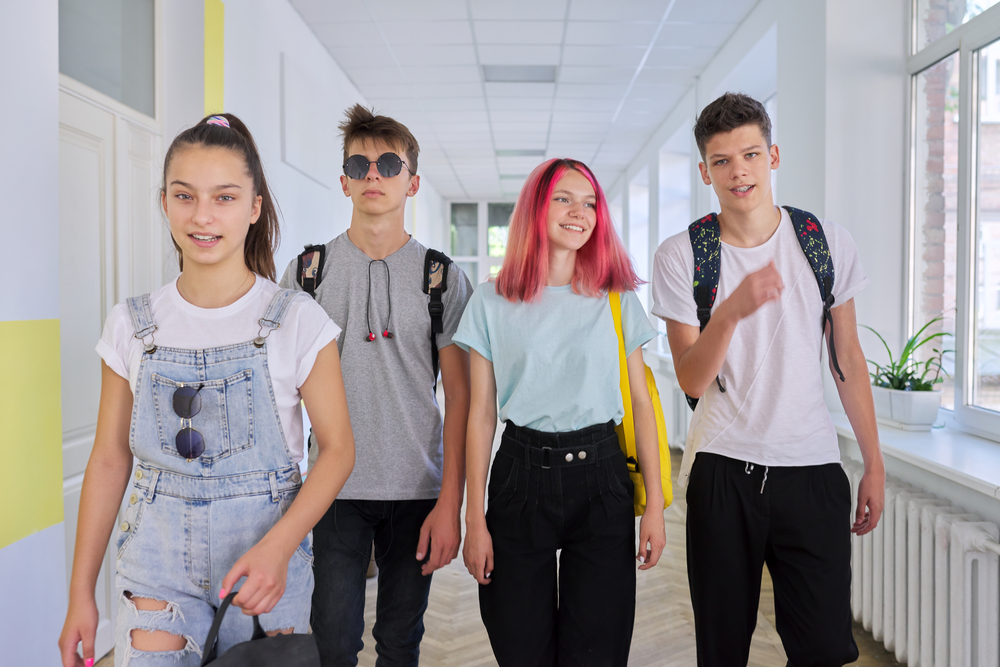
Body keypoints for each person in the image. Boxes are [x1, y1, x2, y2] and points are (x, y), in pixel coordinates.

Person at [58, 113, 355, 667]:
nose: (202, 215)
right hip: (154, 564)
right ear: (165, 202)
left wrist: (280, 545)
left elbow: (338, 451)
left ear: (254, 207)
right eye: (184, 195)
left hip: (267, 564)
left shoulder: (296, 320)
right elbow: (106, 460)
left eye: (224, 197)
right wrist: (80, 593)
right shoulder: (131, 324)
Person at [651, 92, 885, 666]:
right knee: (723, 648)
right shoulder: (683, 255)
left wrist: (875, 465)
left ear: (773, 156)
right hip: (722, 470)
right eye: (723, 160)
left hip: (812, 468)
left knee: (824, 648)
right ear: (705, 171)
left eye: (750, 154)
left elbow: (848, 359)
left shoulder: (825, 244)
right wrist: (730, 310)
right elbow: (691, 379)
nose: (739, 171)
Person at [279, 104, 472, 667]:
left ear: (412, 182)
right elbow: (282, 393)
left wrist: (451, 502)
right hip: (332, 490)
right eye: (359, 164)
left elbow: (459, 398)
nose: (373, 175)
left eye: (389, 164)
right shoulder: (307, 274)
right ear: (342, 180)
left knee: (400, 643)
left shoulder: (440, 276)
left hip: (417, 490)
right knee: (333, 644)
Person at [457, 158, 667, 667]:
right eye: (564, 199)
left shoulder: (616, 298)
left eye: (591, 202)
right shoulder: (489, 302)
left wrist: (656, 506)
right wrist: (474, 518)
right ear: (536, 208)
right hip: (518, 480)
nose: (581, 212)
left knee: (597, 651)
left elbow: (641, 404)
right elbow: (481, 416)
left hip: (601, 479)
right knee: (520, 647)